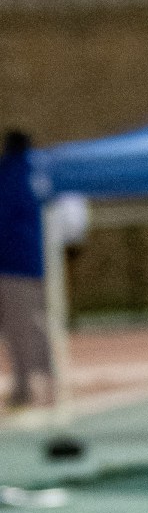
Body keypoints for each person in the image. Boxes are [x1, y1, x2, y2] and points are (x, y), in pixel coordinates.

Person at [0, 129, 52, 409]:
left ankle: (27, 388)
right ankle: (48, 383)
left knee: (20, 329)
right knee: (35, 326)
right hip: (36, 262)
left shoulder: (11, 174)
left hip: (14, 265)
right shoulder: (39, 172)